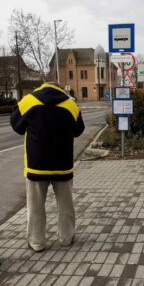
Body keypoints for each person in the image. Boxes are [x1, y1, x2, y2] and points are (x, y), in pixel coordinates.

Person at [10, 82, 85, 252]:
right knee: (65, 205)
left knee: (35, 206)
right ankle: (66, 238)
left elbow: (16, 125)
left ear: (42, 87)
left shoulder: (28, 101)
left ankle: (37, 242)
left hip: (37, 166)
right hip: (63, 166)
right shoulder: (70, 104)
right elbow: (78, 130)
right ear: (60, 88)